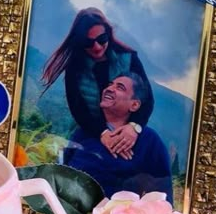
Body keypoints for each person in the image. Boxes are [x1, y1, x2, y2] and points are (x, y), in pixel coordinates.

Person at [42, 7, 154, 160]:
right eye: (88, 42)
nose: (97, 47)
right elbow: (78, 109)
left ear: (108, 33)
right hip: (90, 133)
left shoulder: (128, 58)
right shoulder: (75, 68)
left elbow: (146, 98)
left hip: (127, 133)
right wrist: (103, 134)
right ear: (80, 41)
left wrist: (134, 127)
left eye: (101, 39)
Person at [64, 73, 173, 202]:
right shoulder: (84, 132)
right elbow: (63, 168)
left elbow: (162, 193)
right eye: (110, 85)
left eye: (120, 87)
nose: (109, 89)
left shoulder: (149, 141)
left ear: (134, 105)